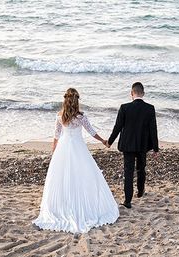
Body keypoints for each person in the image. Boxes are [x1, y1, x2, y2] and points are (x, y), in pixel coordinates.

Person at [34, 88, 119, 234]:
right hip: (79, 148)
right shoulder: (81, 117)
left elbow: (56, 136)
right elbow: (91, 132)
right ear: (76, 101)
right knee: (84, 176)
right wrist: (104, 141)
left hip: (63, 149)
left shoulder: (60, 116)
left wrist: (54, 153)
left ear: (65, 100)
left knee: (62, 178)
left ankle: (63, 205)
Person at [106, 82, 159, 209]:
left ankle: (128, 200)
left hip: (128, 145)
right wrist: (155, 148)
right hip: (142, 146)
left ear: (131, 93)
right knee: (141, 169)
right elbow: (153, 129)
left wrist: (110, 141)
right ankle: (140, 192)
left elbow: (117, 127)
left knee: (128, 172)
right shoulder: (150, 108)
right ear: (143, 94)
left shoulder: (124, 108)